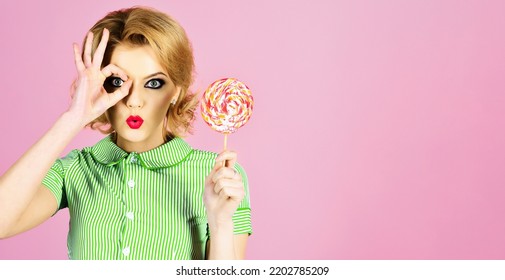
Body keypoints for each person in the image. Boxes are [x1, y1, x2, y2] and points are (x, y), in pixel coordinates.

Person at [0, 6, 252, 260]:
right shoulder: (74, 170)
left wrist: (220, 223)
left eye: (153, 83)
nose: (134, 101)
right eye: (117, 82)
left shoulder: (218, 176)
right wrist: (72, 119)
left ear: (176, 90)